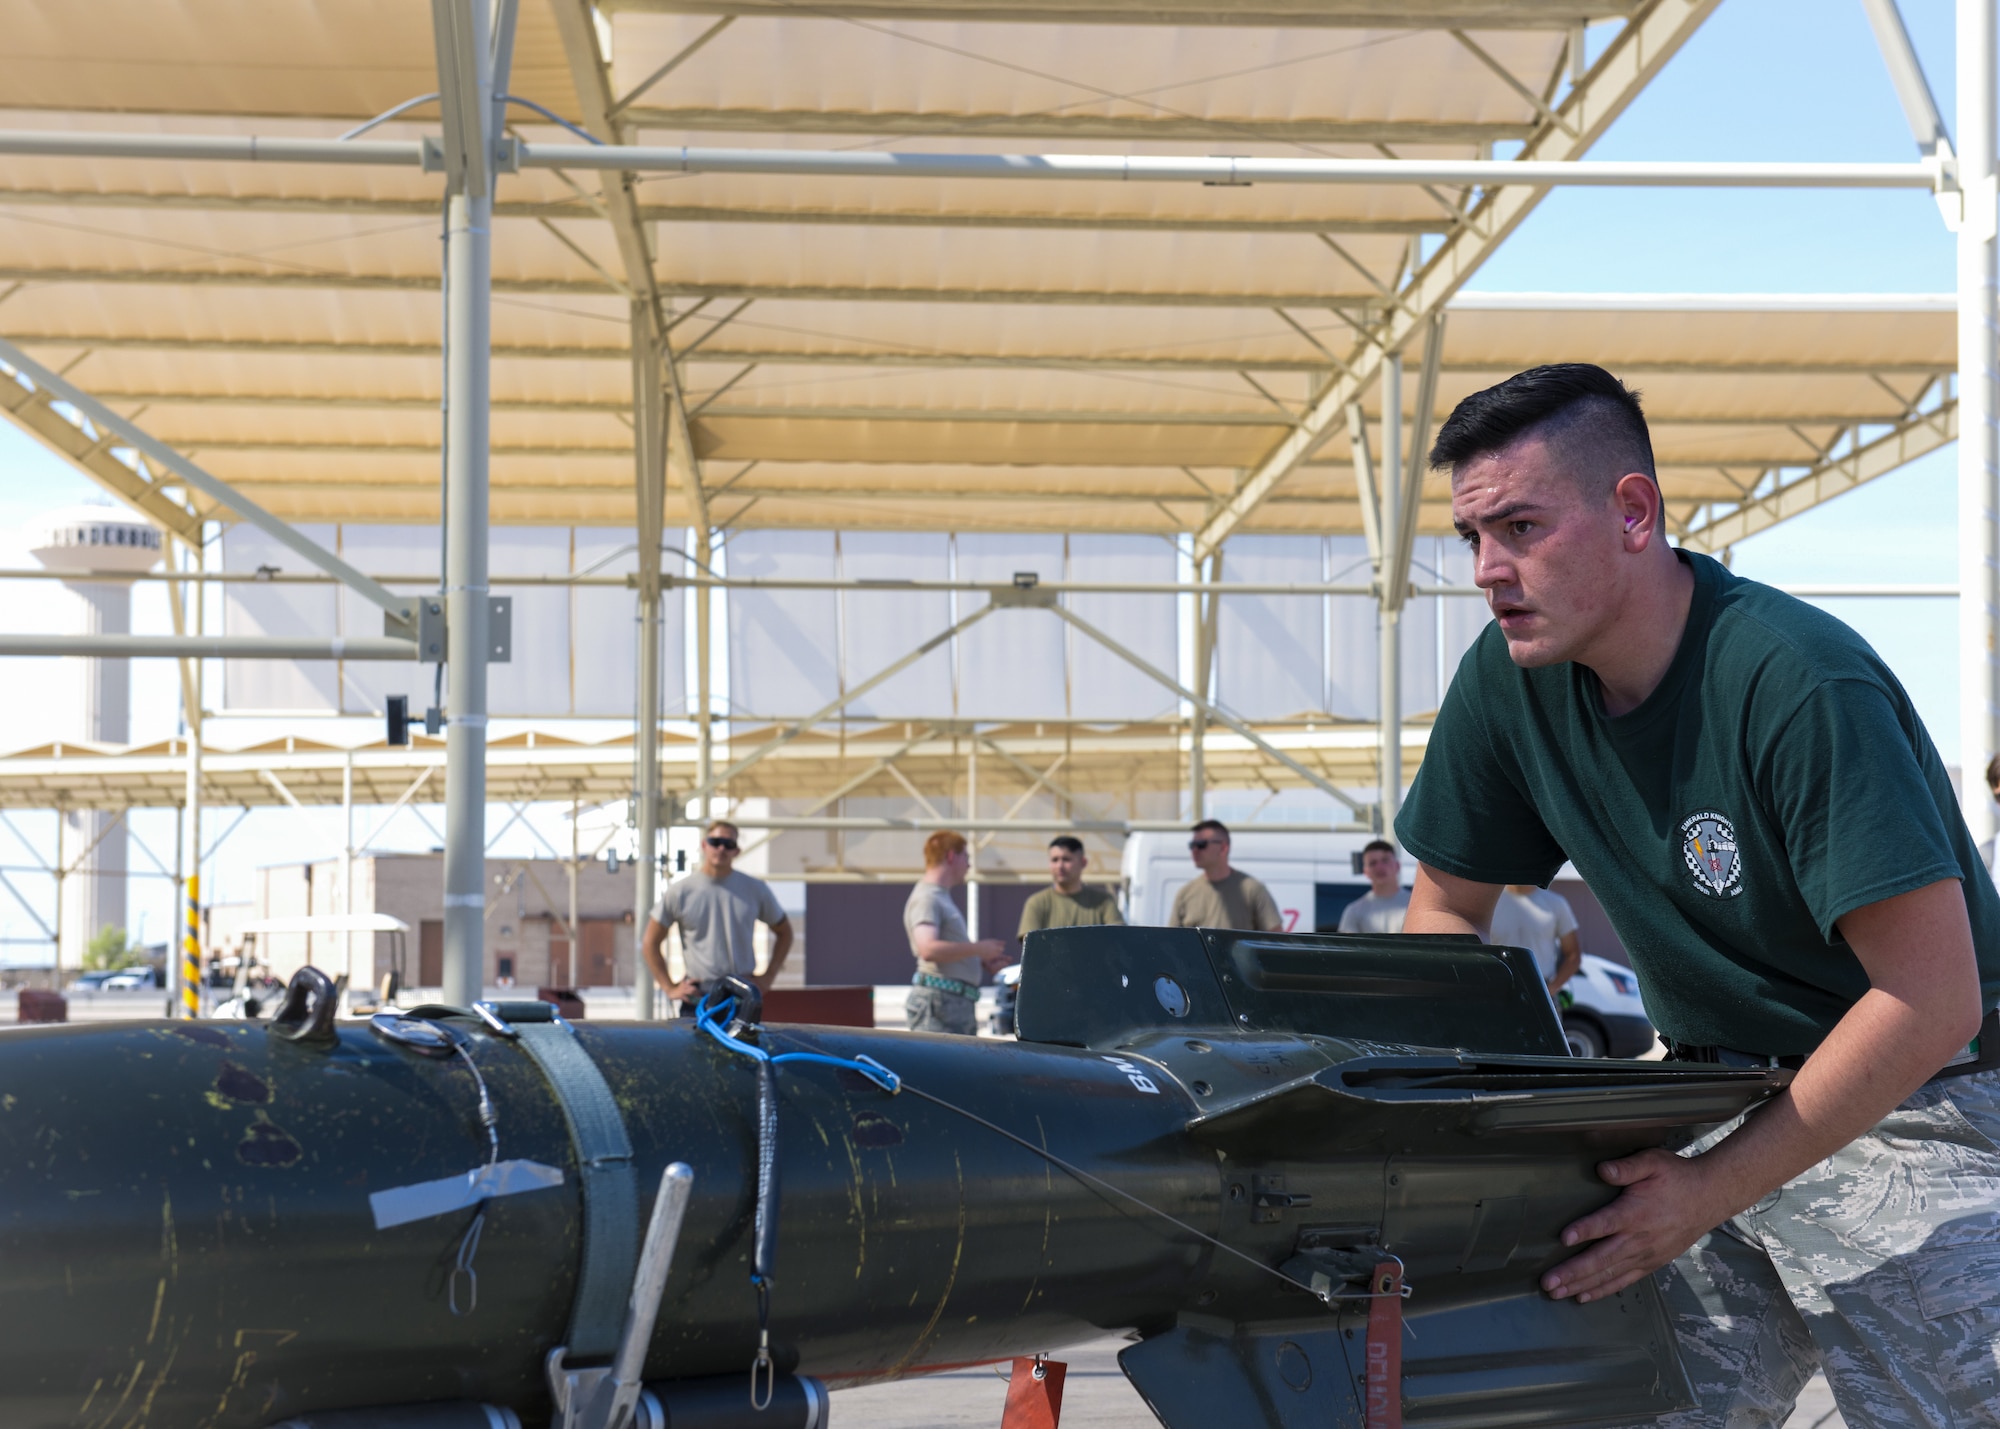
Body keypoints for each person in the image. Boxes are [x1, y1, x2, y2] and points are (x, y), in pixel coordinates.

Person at [1397, 363, 2000, 1428]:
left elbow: (1928, 1002)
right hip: (1706, 1098)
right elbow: (1444, 915)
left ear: (1632, 512)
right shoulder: (1508, 677)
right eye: (1470, 539)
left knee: (1953, 1396)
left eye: (1522, 527)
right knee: (1562, 1381)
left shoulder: (1795, 681)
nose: (1488, 571)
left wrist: (1704, 1192)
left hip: (1924, 1102)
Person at [641, 819, 792, 1016]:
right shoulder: (680, 892)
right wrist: (669, 987)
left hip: (742, 997)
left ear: (736, 851)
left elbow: (785, 932)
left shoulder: (755, 889)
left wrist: (768, 977)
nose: (721, 848)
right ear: (704, 845)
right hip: (698, 999)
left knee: (742, 1048)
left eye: (729, 844)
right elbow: (650, 942)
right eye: (715, 842)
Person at [905, 830, 1011, 1035]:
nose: (969, 865)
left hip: (948, 1004)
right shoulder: (928, 897)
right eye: (966, 857)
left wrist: (977, 958)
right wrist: (978, 949)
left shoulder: (937, 896)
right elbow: (927, 949)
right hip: (939, 1005)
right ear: (951, 856)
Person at [1168, 820, 1282, 931]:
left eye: (1201, 845)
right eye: (1192, 845)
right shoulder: (1185, 893)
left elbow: (1276, 941)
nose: (1194, 850)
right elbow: (1171, 942)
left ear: (1223, 848)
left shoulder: (1251, 889)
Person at [1018, 836, 1125, 936]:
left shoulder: (1104, 901)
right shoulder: (1037, 903)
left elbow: (1118, 937)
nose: (1059, 866)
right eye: (1055, 860)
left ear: (1083, 862)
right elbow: (1030, 946)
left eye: (1066, 859)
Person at [1489, 883, 1582, 995]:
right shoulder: (1489, 903)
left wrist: (1551, 989)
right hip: (1499, 990)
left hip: (1541, 988)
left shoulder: (1556, 903)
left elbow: (1573, 955)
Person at [1337, 839, 1409, 933]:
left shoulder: (1415, 905)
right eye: (1373, 863)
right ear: (1366, 872)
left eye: (1385, 860)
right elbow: (1346, 946)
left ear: (1397, 866)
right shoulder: (1354, 912)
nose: (1379, 867)